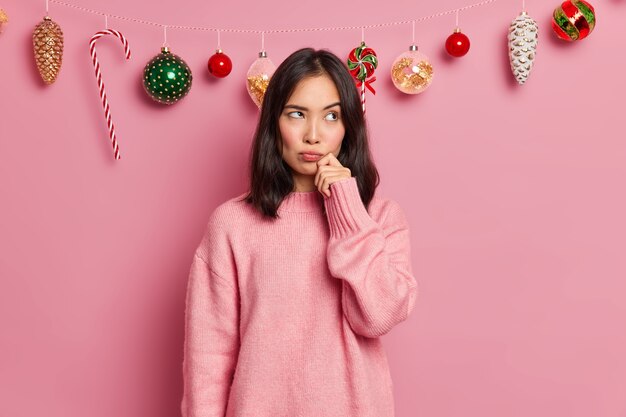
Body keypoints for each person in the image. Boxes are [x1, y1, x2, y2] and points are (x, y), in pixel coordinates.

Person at [180, 47, 419, 417]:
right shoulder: (232, 224)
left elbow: (378, 316)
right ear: (274, 122)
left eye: (331, 116)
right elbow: (208, 359)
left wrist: (346, 207)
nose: (313, 135)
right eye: (297, 114)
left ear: (348, 127)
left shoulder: (380, 217)